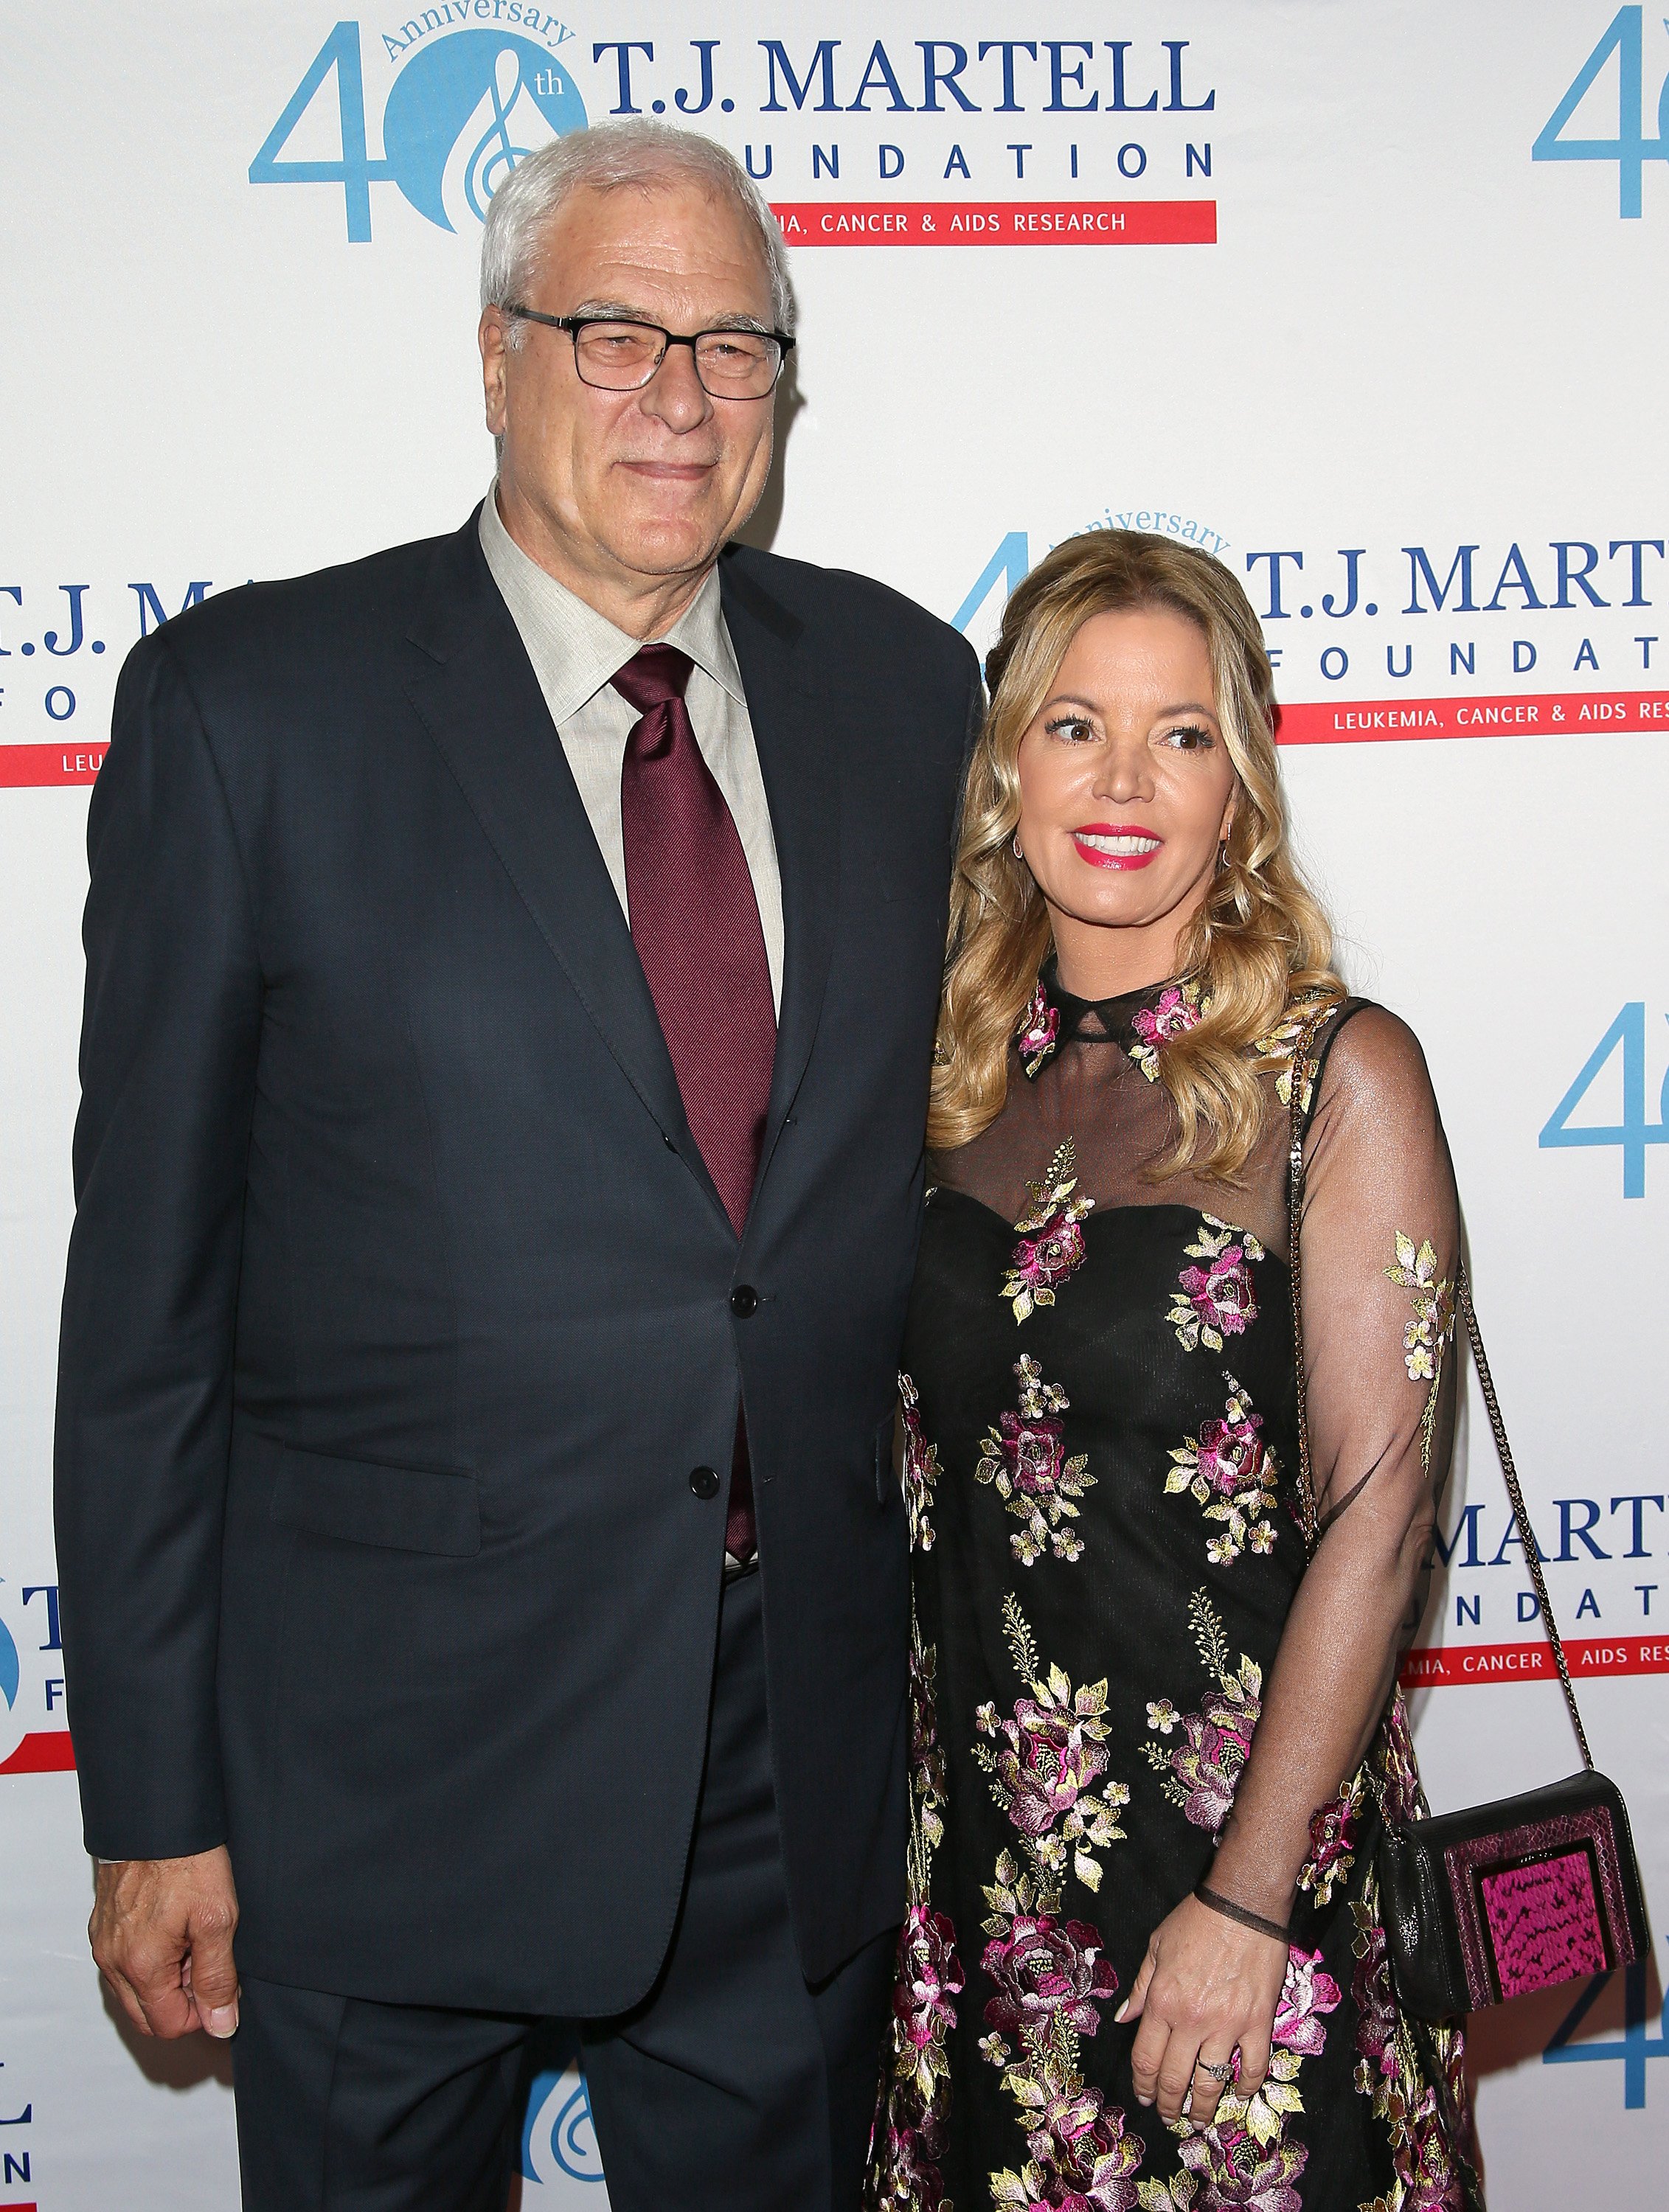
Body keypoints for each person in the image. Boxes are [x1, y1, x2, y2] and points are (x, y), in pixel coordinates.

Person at [55, 121, 979, 2211]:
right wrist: (153, 1802)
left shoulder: (911, 695)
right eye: (617, 332)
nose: (679, 397)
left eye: (735, 345)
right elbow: (145, 1318)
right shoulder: (250, 713)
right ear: (497, 360)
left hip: (786, 1761)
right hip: (387, 1773)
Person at [867, 531, 1482, 2211]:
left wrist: (1250, 1901)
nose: (1123, 777)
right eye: (1073, 726)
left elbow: (1379, 1510)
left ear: (1240, 787)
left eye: (1181, 732)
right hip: (981, 1893)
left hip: (1243, 1872)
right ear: (1008, 769)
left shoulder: (1336, 1076)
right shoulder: (936, 1076)